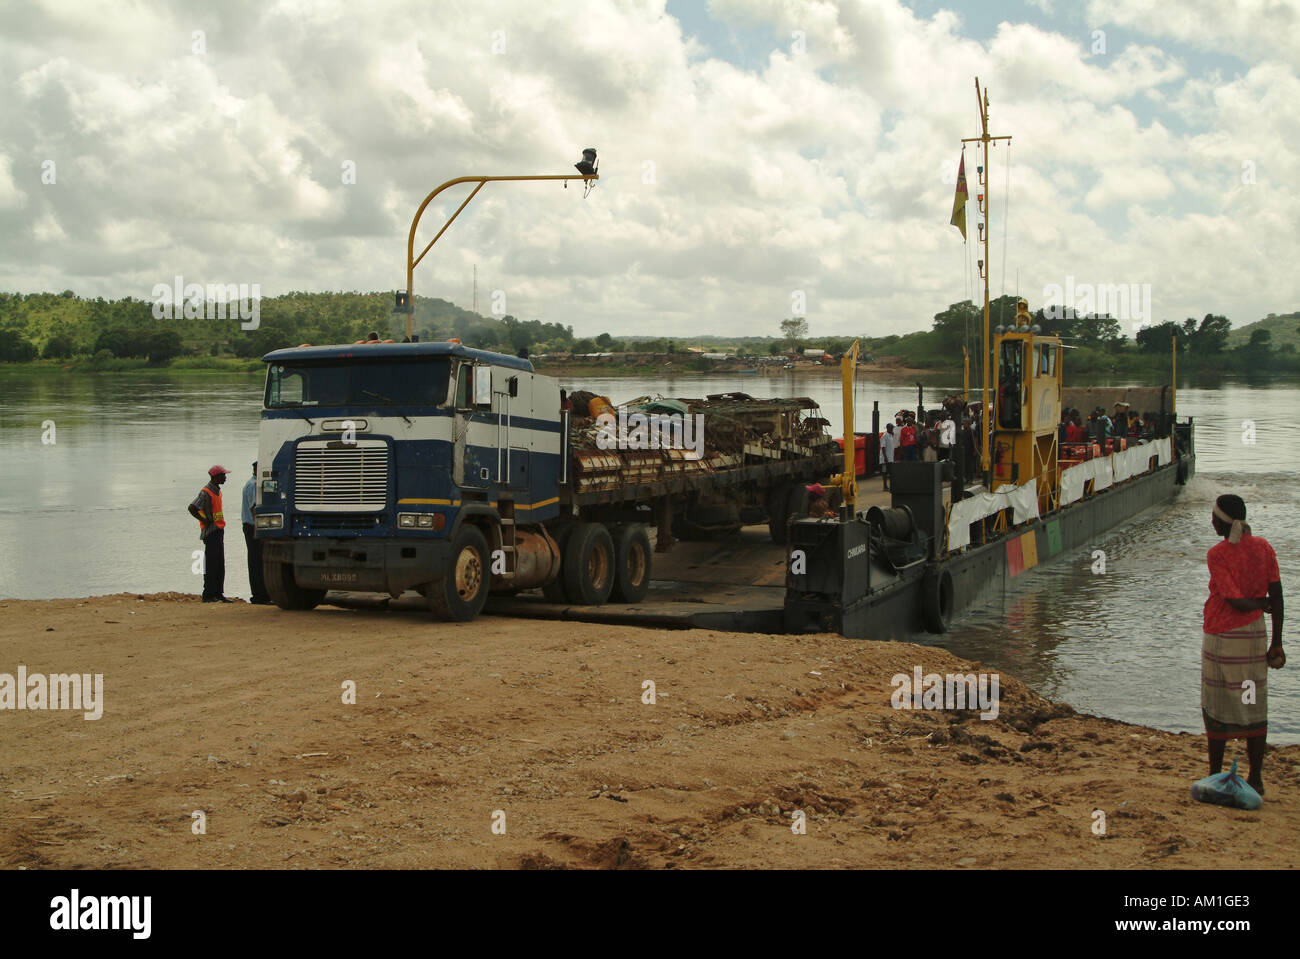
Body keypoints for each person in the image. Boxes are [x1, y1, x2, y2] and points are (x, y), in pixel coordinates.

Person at [1201, 494, 1285, 796]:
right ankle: (1257, 778)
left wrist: (1257, 603)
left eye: (1213, 517)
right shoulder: (1264, 548)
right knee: (1253, 702)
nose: (1211, 522)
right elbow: (1277, 597)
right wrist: (1276, 643)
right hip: (1253, 636)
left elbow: (1233, 600)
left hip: (1221, 638)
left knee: (1217, 702)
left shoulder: (1217, 554)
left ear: (1222, 522)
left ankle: (1214, 773)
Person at [189, 465, 232, 603]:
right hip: (211, 532)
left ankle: (218, 593)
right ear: (215, 477)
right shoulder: (206, 492)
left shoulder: (217, 491)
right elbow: (192, 508)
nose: (225, 477)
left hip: (219, 530)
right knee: (212, 564)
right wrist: (204, 520)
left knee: (219, 564)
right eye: (223, 475)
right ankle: (208, 594)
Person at [242, 462, 271, 605]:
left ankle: (260, 594)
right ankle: (260, 596)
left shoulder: (252, 483)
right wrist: (260, 530)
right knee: (257, 562)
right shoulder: (253, 485)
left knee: (255, 561)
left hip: (250, 526)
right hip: (253, 527)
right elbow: (254, 508)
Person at [879, 423, 897, 491]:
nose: (892, 429)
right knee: (885, 472)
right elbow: (883, 447)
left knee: (890, 472)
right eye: (891, 428)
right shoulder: (884, 436)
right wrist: (885, 457)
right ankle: (885, 486)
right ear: (888, 428)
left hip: (890, 457)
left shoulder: (891, 435)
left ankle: (890, 485)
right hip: (885, 458)